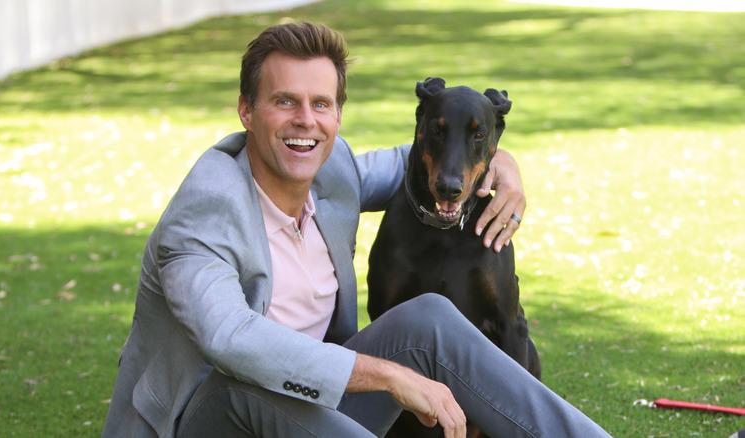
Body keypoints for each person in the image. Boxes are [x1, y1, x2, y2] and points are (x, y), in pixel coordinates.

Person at [102, 22, 611, 438]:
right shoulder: (205, 212)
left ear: (337, 115)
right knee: (247, 385)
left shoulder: (334, 169)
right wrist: (389, 375)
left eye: (320, 104)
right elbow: (230, 338)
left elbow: (423, 162)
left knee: (429, 316)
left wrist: (506, 165)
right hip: (213, 416)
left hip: (310, 406)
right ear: (246, 110)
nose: (305, 122)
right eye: (284, 102)